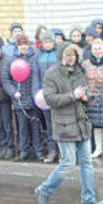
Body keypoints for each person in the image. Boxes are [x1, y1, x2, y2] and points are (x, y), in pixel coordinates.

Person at [35, 42, 95, 204]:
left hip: (82, 123)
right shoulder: (52, 74)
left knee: (87, 162)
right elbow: (50, 99)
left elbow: (87, 92)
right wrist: (72, 95)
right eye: (68, 55)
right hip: (64, 124)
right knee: (68, 162)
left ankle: (88, 198)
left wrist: (87, 98)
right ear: (61, 56)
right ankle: (44, 190)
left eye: (73, 55)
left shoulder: (80, 71)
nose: (71, 58)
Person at [2, 35, 43, 162]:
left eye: (26, 44)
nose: (23, 47)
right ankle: (24, 151)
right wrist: (13, 92)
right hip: (19, 99)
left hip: (34, 98)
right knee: (22, 128)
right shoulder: (11, 60)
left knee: (36, 127)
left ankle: (38, 151)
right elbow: (5, 79)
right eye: (21, 45)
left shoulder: (35, 58)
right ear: (17, 46)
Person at [35, 30, 59, 163]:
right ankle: (52, 150)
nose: (48, 44)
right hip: (44, 96)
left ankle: (62, 151)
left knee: (60, 124)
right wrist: (36, 93)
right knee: (49, 125)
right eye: (46, 42)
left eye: (50, 41)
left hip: (57, 95)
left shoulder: (59, 55)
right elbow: (36, 77)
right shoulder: (38, 56)